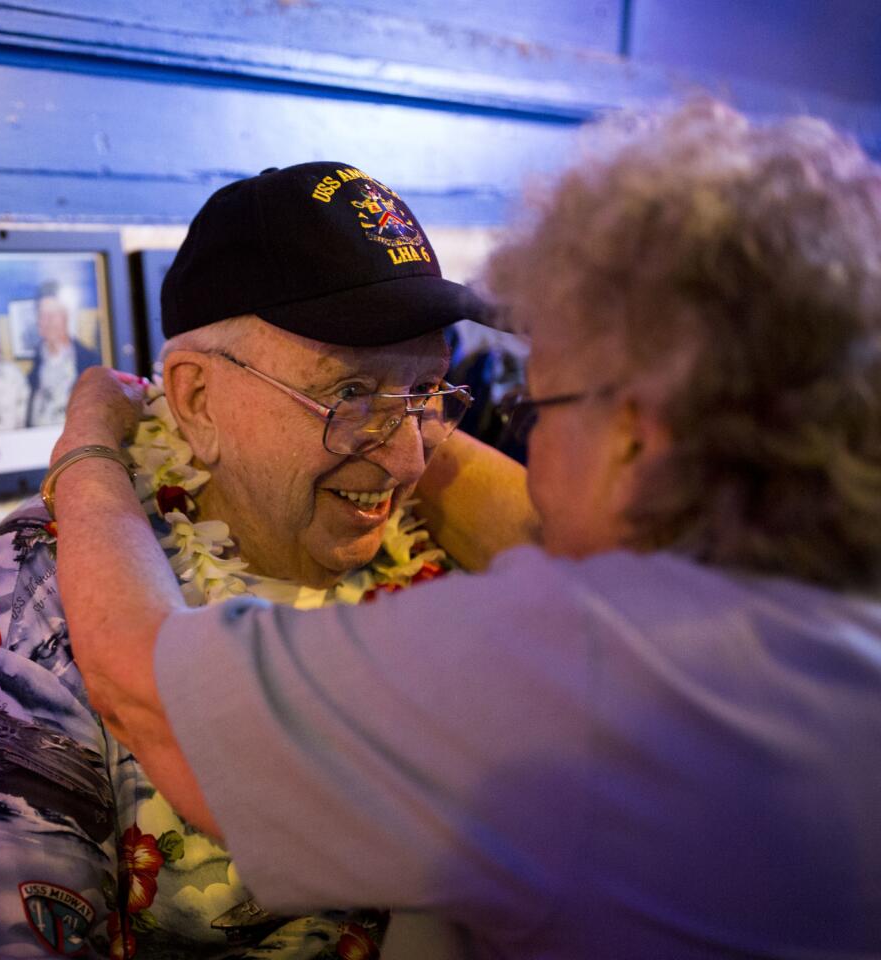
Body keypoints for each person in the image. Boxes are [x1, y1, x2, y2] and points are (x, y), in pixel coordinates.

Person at [48, 100, 881, 958]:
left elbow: (145, 684)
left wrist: (86, 440)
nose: (424, 456)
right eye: (350, 393)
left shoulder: (592, 665)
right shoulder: (839, 599)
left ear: (638, 432)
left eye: (537, 407)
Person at [0, 161, 521, 960]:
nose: (406, 460)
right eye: (351, 391)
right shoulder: (47, 582)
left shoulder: (457, 544)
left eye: (427, 389)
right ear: (195, 400)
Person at [26, 280, 101, 427]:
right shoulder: (34, 370)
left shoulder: (91, 362)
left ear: (66, 317)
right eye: (43, 315)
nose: (49, 322)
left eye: (55, 314)